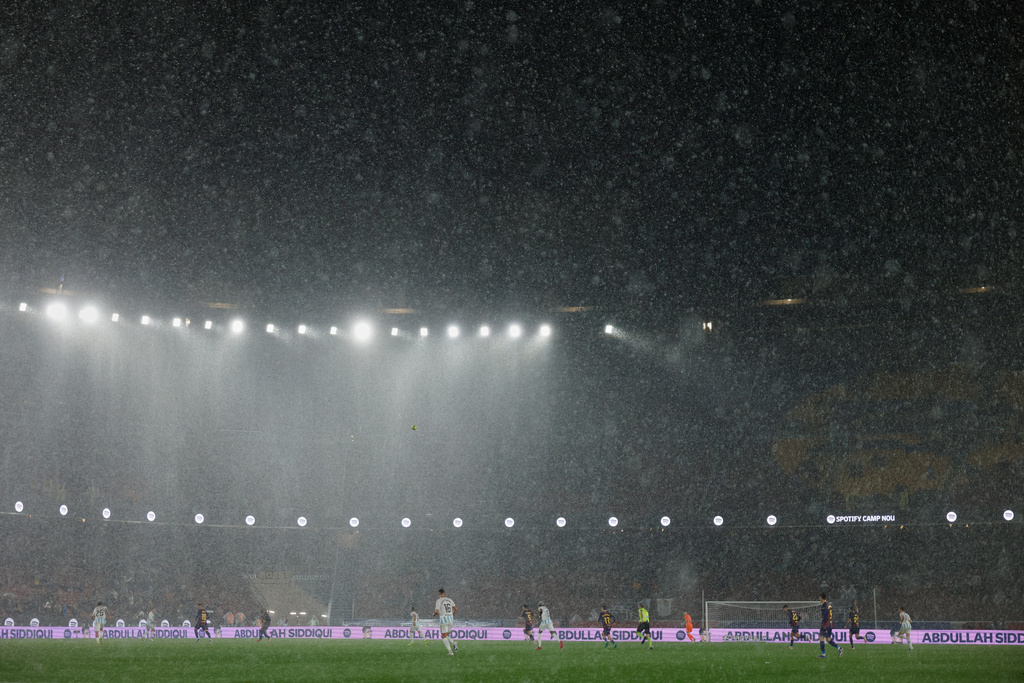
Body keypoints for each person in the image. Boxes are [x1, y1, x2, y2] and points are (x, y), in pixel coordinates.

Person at [433, 588, 458, 655]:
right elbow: (456, 609)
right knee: (446, 635)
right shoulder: (450, 600)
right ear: (445, 593)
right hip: (450, 619)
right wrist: (452, 614)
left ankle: (450, 652)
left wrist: (434, 614)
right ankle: (453, 643)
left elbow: (437, 611)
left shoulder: (439, 601)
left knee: (443, 636)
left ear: (439, 594)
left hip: (444, 619)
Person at [817, 594, 842, 658]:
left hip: (826, 624)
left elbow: (825, 617)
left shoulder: (824, 606)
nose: (819, 598)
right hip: (830, 623)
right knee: (828, 639)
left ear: (822, 598)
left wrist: (824, 627)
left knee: (821, 638)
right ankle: (839, 648)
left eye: (819, 597)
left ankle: (823, 654)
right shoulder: (829, 604)